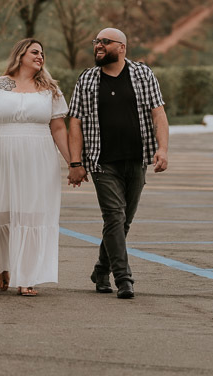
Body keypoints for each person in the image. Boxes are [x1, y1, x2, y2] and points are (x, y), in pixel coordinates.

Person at [0, 39, 70, 297]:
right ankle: (3, 266)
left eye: (43, 53)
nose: (40, 56)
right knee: (1, 213)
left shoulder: (50, 90)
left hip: (39, 159)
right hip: (0, 155)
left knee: (31, 214)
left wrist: (72, 162)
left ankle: (27, 276)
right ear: (20, 55)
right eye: (35, 52)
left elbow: (58, 128)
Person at [67, 27, 169, 299]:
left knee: (123, 222)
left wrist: (163, 149)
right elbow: (74, 122)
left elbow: (158, 113)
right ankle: (124, 279)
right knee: (114, 216)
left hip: (137, 159)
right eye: (96, 42)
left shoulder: (142, 74)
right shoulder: (87, 79)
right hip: (102, 162)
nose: (98, 46)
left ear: (121, 47)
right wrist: (75, 163)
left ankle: (101, 269)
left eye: (105, 42)